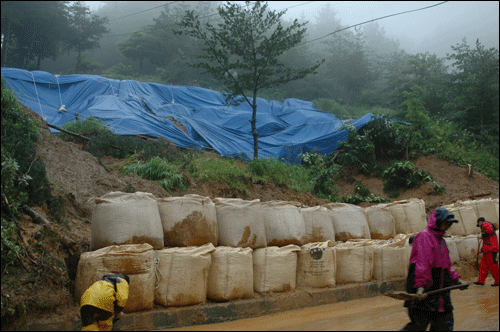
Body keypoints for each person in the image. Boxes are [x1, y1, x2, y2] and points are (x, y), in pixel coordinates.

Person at [400, 207, 467, 331]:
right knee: (418, 326)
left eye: (449, 223)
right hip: (426, 291)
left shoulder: (441, 241)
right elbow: (422, 264)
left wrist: (457, 280)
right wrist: (420, 287)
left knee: (444, 325)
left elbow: (446, 266)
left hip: (441, 293)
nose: (448, 226)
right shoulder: (424, 236)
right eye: (446, 222)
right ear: (437, 221)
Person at [474, 217, 499, 286]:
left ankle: (498, 281)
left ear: (480, 222)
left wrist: (482, 235)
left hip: (490, 249)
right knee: (483, 265)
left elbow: (489, 231)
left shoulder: (485, 223)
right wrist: (483, 248)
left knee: (492, 265)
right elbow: (488, 238)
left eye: (479, 225)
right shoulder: (487, 225)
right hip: (488, 249)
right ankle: (481, 281)